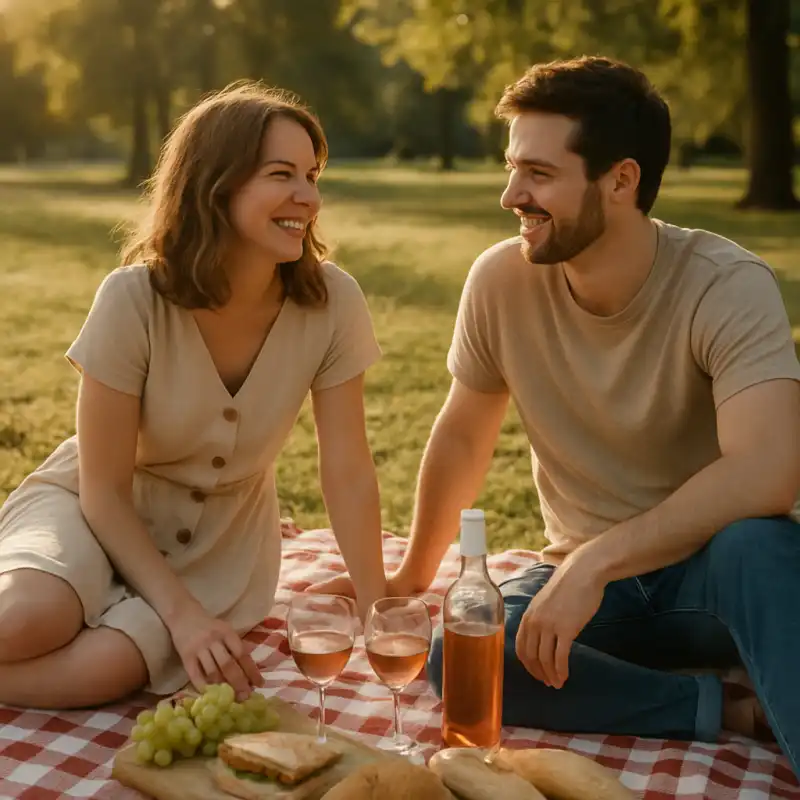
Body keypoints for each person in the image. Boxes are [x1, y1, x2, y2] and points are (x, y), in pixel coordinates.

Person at [310, 57, 800, 777]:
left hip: (709, 581)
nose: (512, 195)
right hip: (583, 594)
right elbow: (463, 434)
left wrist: (597, 561)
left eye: (538, 174)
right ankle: (716, 710)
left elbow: (768, 471)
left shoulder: (726, 286)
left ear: (621, 180)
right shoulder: (501, 280)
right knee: (468, 651)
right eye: (512, 169)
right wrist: (412, 575)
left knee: (761, 549)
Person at [0, 81, 388, 711]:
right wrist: (180, 616)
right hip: (92, 508)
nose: (308, 197)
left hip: (217, 551)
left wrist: (377, 609)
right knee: (23, 623)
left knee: (101, 673)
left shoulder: (333, 302)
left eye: (312, 175)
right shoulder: (132, 299)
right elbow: (102, 488)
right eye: (282, 174)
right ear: (217, 184)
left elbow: (347, 469)